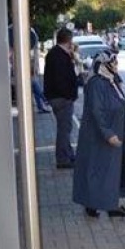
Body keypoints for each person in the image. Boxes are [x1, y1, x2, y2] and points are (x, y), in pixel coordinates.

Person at [72, 50, 125, 218]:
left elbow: (123, 105)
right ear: (104, 64)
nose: (116, 65)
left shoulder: (114, 80)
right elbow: (97, 111)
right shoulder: (96, 83)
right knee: (99, 171)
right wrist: (108, 134)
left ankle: (107, 204)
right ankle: (97, 204)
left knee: (111, 172)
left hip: (117, 133)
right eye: (113, 62)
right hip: (100, 137)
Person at [43, 28, 78, 169]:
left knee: (65, 128)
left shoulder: (56, 54)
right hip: (61, 98)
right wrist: (69, 96)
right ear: (69, 41)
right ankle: (63, 159)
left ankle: (68, 154)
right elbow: (61, 79)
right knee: (64, 129)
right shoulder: (59, 56)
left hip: (58, 97)